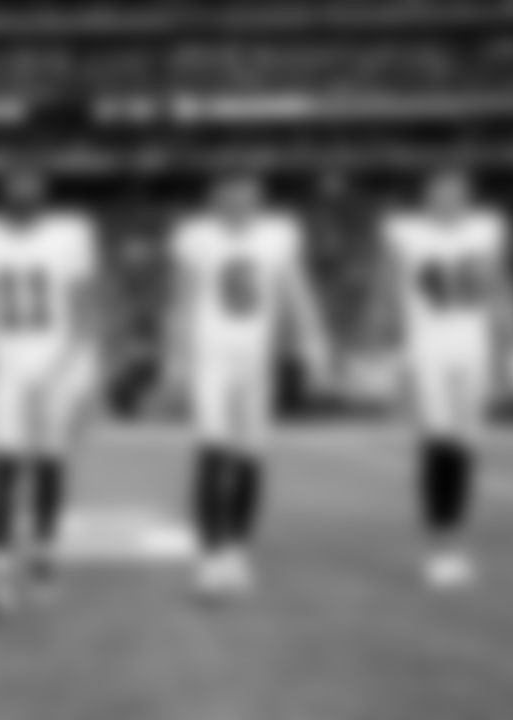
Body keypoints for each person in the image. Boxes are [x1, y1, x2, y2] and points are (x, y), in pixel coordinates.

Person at [167, 173, 328, 600]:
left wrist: (313, 342)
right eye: (230, 197)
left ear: (258, 200)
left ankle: (237, 548)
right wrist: (177, 358)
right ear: (215, 200)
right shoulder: (196, 237)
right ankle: (210, 553)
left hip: (257, 360)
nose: (239, 205)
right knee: (212, 449)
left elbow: (296, 291)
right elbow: (181, 300)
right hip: (211, 358)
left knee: (252, 456)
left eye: (247, 198)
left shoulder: (279, 236)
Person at [0, 169, 100, 612]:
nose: (23, 202)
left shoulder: (70, 235)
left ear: (43, 199)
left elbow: (82, 300)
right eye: (15, 194)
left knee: (50, 461)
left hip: (56, 360)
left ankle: (44, 551)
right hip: (2, 360)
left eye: (30, 194)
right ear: (3, 200)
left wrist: (82, 361)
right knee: (2, 463)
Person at [376, 169, 513, 590]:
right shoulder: (404, 233)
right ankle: (439, 545)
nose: (448, 202)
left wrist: (505, 351)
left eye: (456, 195)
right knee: (438, 444)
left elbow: (497, 287)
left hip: (472, 350)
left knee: (465, 447)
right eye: (439, 194)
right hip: (427, 352)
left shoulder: (487, 230)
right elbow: (387, 290)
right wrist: (395, 356)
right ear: (426, 198)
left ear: (467, 198)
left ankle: (453, 538)